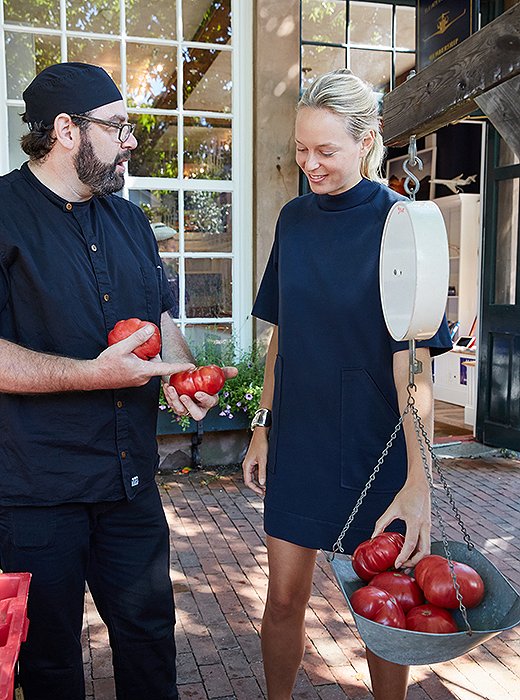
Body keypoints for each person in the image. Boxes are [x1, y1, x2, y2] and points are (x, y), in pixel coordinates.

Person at [0, 62, 235, 700]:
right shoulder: (2, 214)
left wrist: (182, 377)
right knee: (47, 662)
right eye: (118, 128)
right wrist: (92, 375)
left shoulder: (130, 223)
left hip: (129, 483)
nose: (131, 141)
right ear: (66, 130)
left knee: (151, 641)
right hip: (35, 494)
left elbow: (162, 319)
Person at [242, 69, 452, 700]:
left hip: (374, 446)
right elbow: (283, 332)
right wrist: (262, 426)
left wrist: (419, 482)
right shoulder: (294, 220)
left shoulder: (404, 225)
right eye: (301, 149)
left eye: (325, 151)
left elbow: (413, 366)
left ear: (367, 140)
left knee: (383, 613)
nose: (310, 164)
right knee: (282, 600)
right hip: (301, 441)